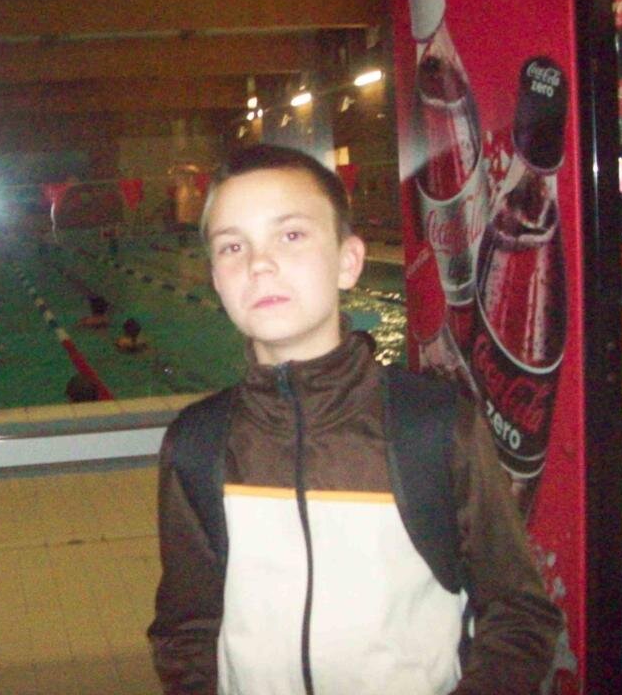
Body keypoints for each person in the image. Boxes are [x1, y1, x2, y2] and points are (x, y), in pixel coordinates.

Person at [147, 144, 561, 695]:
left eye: (291, 235)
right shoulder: (198, 443)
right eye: (232, 246)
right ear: (217, 280)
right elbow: (186, 631)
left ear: (349, 261)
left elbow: (519, 616)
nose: (259, 264)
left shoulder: (431, 427)